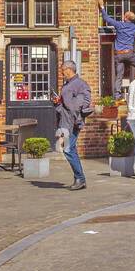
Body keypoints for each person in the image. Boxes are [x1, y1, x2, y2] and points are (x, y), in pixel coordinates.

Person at [54, 60, 93, 190]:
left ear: (68, 70)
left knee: (68, 149)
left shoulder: (80, 84)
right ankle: (80, 179)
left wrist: (75, 114)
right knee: (70, 149)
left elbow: (84, 101)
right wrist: (57, 102)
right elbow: (64, 106)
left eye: (62, 71)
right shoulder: (67, 85)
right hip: (65, 122)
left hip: (73, 122)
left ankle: (80, 179)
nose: (62, 74)